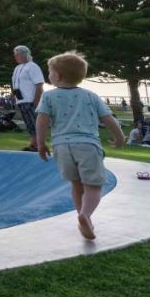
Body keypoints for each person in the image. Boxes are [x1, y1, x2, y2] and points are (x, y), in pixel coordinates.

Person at [34, 52, 125, 241]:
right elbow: (108, 118)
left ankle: (83, 218)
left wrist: (41, 143)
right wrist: (120, 137)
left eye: (49, 72)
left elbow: (41, 120)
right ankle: (86, 215)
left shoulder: (48, 97)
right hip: (87, 145)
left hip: (62, 146)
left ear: (57, 76)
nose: (48, 75)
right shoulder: (90, 96)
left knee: (76, 184)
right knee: (93, 186)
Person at [12, 45, 46, 153]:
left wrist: (36, 101)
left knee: (35, 123)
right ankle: (33, 144)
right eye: (15, 55)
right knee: (29, 124)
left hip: (31, 100)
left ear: (25, 54)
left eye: (18, 55)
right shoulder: (17, 68)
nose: (16, 57)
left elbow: (39, 84)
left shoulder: (33, 66)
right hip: (21, 100)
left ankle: (38, 145)